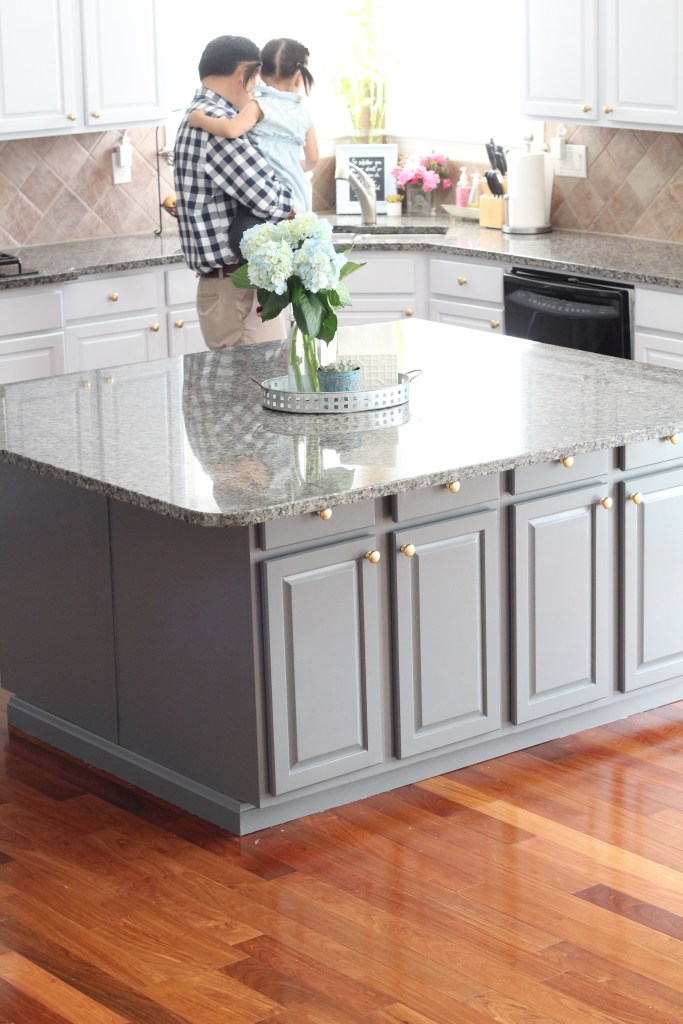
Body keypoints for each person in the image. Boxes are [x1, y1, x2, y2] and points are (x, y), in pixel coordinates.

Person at [174, 35, 294, 350]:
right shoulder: (217, 124)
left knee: (244, 382)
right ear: (243, 75)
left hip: (230, 289)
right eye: (257, 80)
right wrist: (293, 196)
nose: (258, 90)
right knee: (261, 380)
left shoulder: (198, 116)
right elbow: (271, 200)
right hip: (239, 292)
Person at [188, 37, 318, 254]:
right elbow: (313, 158)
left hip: (272, 191)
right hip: (298, 193)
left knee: (242, 240)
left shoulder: (258, 105)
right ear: (298, 78)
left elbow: (231, 129)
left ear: (260, 73)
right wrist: (295, 167)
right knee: (297, 248)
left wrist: (201, 120)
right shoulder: (304, 114)